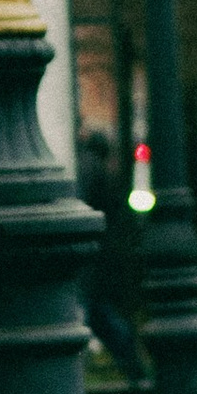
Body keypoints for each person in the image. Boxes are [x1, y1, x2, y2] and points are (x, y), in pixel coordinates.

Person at [75, 120, 144, 377]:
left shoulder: (85, 164)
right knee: (100, 316)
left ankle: (134, 373)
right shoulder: (98, 166)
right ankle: (135, 373)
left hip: (91, 259)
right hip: (103, 256)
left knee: (95, 314)